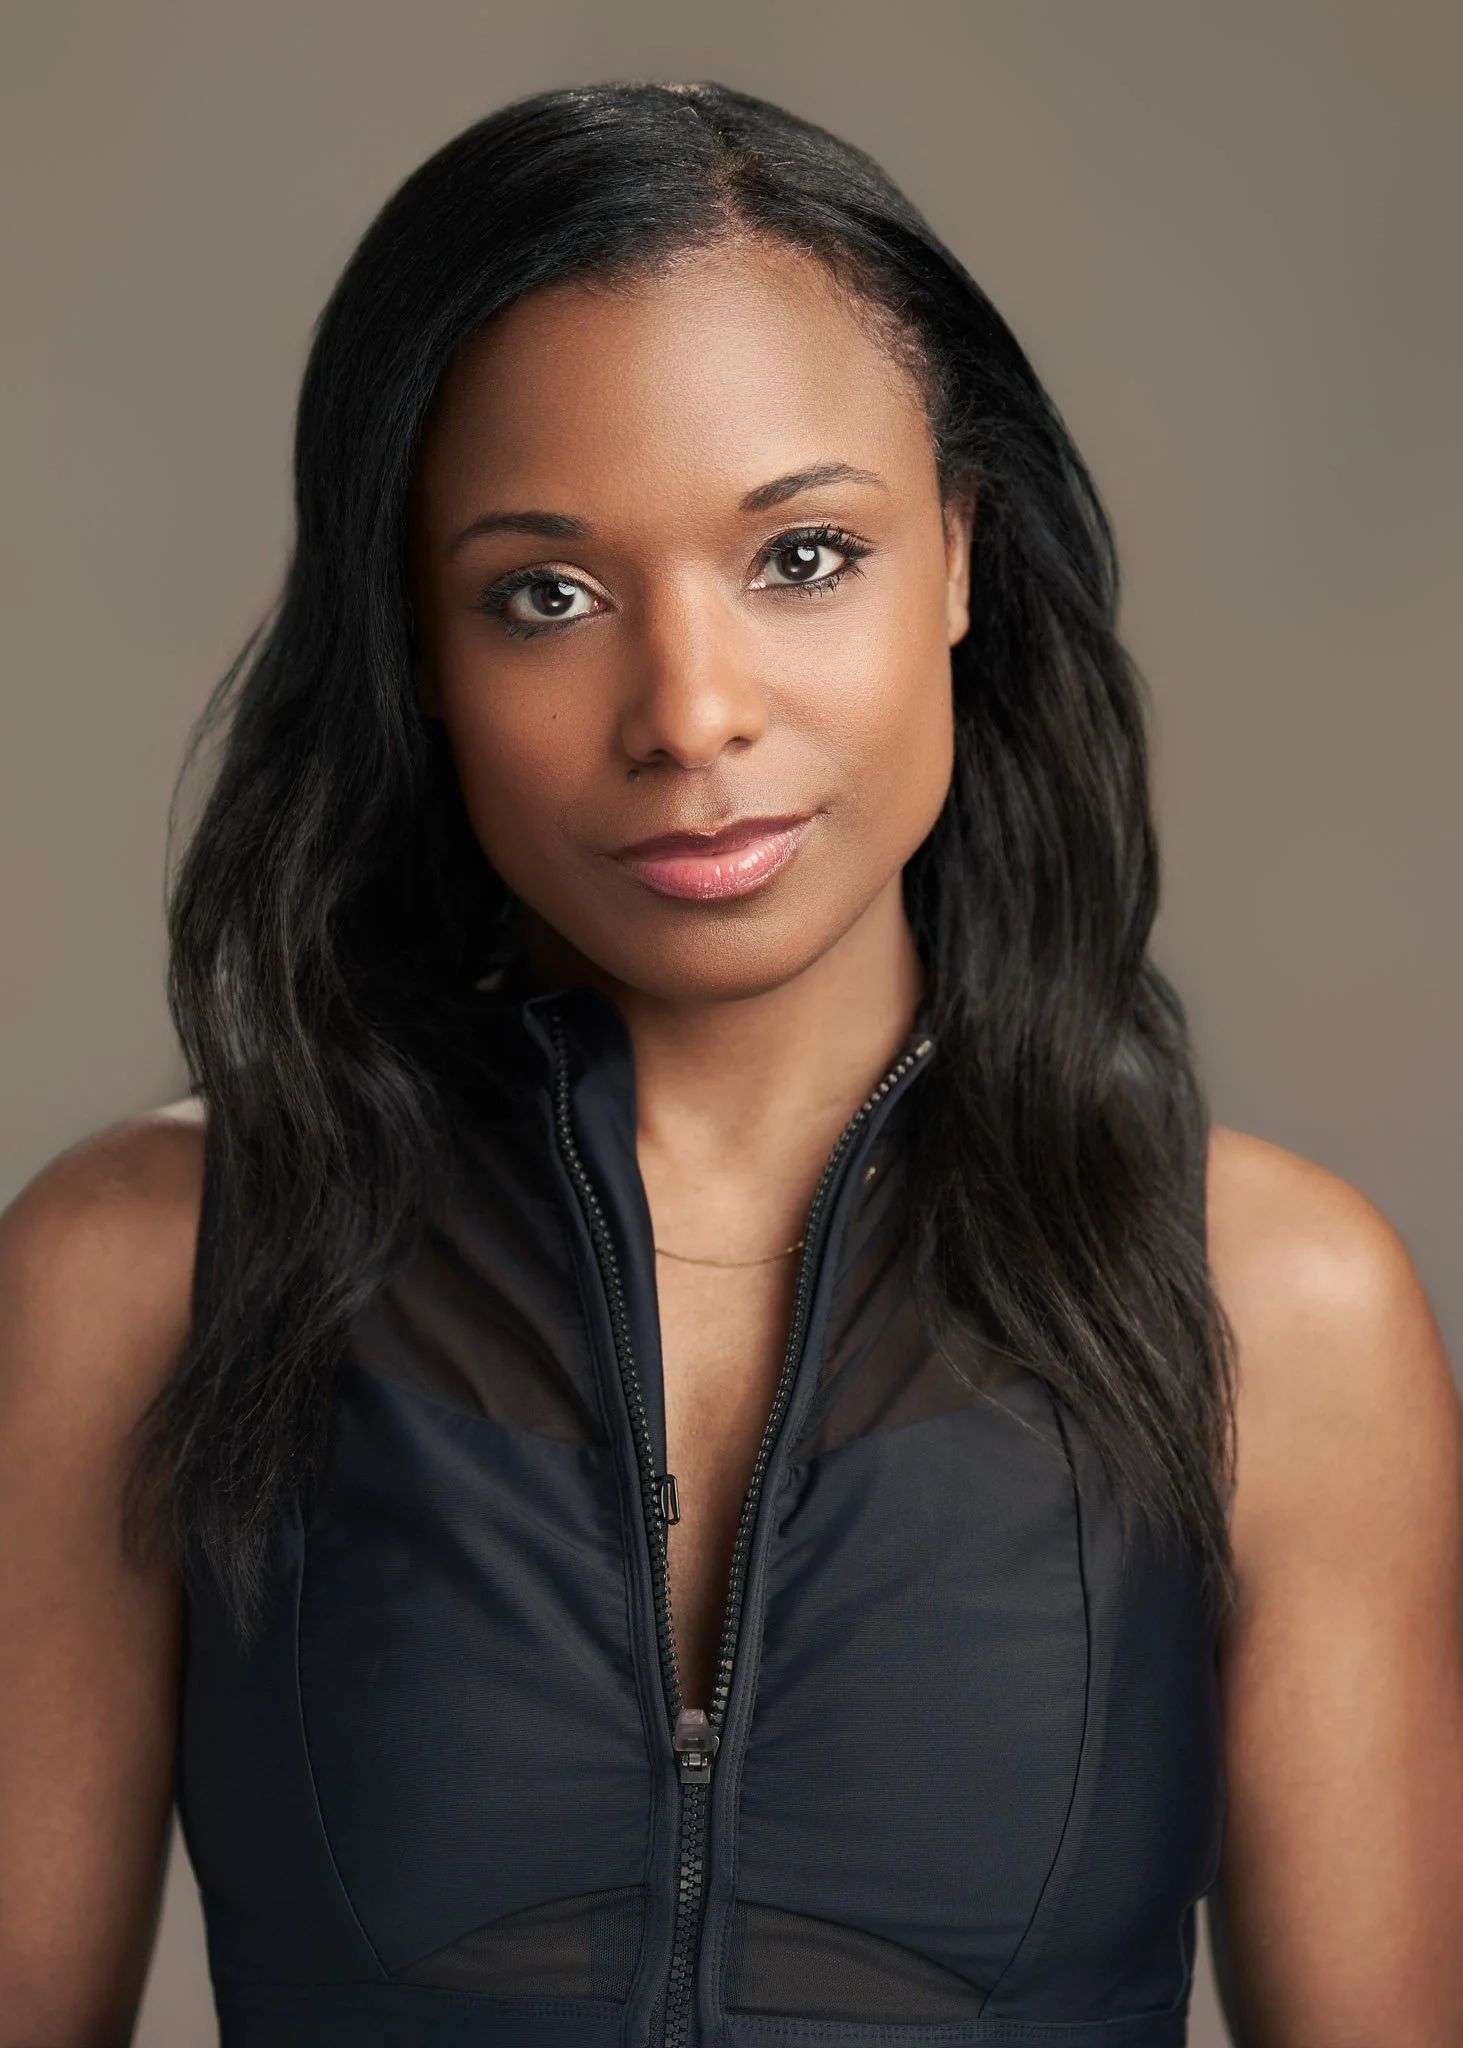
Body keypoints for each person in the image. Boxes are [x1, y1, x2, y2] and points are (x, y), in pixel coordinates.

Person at [0, 81, 1458, 2048]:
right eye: (547, 594)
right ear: (414, 647)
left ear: (956, 553)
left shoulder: (1270, 1309)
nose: (687, 713)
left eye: (800, 557)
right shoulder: (139, 1277)